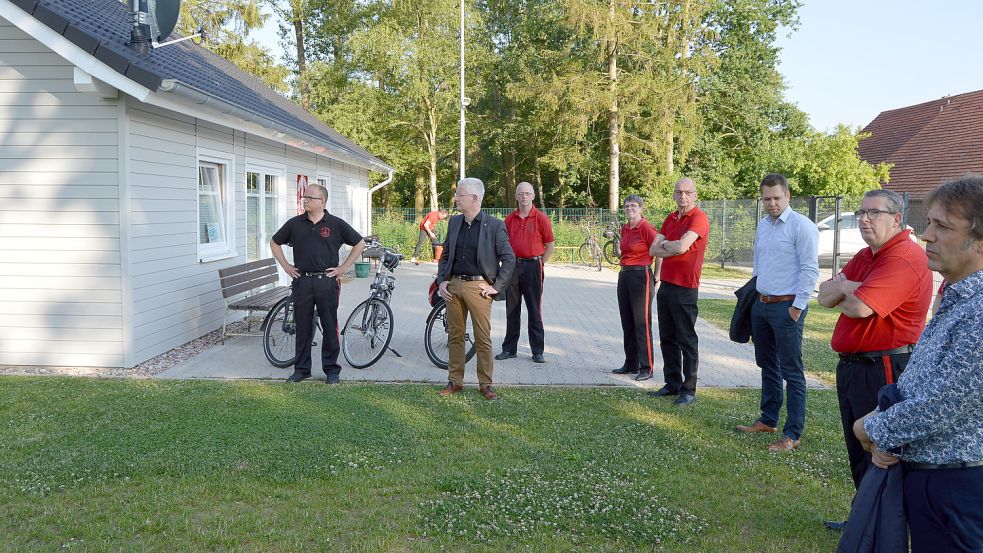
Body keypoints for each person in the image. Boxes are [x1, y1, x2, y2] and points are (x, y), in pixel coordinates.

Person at [854, 175, 983, 553]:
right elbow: (924, 380)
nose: (926, 235)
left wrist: (875, 427)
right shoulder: (959, 296)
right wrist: (891, 433)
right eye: (929, 222)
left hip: (958, 486)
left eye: (942, 226)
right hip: (931, 477)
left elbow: (948, 401)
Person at [817, 189, 932, 529]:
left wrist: (846, 287)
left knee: (878, 444)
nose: (864, 219)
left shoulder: (903, 258)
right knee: (858, 444)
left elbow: (858, 307)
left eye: (874, 213)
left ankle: (882, 525)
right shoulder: (868, 256)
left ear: (897, 219)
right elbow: (824, 296)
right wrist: (855, 283)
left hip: (883, 365)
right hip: (855, 365)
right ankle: (864, 517)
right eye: (861, 213)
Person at [736, 173, 819, 451]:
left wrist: (798, 307)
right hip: (762, 305)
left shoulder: (802, 227)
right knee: (767, 365)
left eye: (776, 198)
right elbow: (759, 263)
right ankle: (768, 419)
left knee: (792, 372)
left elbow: (810, 269)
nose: (772, 203)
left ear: (788, 196)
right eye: (766, 199)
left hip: (787, 307)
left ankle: (792, 434)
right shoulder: (763, 226)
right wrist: (754, 298)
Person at [270, 183, 366, 384]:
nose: (304, 200)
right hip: (302, 281)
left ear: (321, 202)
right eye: (304, 197)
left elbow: (359, 243)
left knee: (330, 325)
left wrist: (343, 268)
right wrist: (286, 266)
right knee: (303, 326)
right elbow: (274, 242)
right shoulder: (295, 224)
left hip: (327, 282)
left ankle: (332, 370)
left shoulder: (336, 224)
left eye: (309, 198)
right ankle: (302, 369)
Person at [435, 178, 516, 400]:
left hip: (479, 288)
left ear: (474, 198)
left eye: (460, 195)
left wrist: (495, 287)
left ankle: (486, 384)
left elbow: (509, 259)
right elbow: (446, 253)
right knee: (455, 336)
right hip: (453, 286)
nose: (456, 198)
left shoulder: (494, 225)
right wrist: (442, 280)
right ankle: (455, 382)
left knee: (483, 338)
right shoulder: (454, 222)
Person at [646, 178, 710, 405]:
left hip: (686, 288)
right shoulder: (670, 218)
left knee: (686, 339)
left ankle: (688, 389)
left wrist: (670, 245)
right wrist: (672, 246)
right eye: (679, 192)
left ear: (695, 195)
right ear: (674, 195)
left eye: (688, 192)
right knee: (667, 338)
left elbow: (682, 246)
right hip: (666, 285)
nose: (683, 196)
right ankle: (672, 383)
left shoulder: (699, 218)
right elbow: (653, 249)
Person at [496, 182, 555, 364]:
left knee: (534, 309)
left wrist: (539, 263)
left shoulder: (541, 218)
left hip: (533, 266)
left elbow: (550, 245)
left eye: (527, 193)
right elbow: (504, 243)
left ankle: (537, 351)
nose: (524, 196)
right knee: (511, 309)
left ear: (533, 196)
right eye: (520, 193)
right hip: (513, 267)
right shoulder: (509, 219)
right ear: (516, 196)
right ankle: (509, 349)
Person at [610, 195, 658, 382]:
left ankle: (647, 367)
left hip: (641, 275)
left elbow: (658, 250)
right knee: (627, 321)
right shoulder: (625, 228)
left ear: (641, 209)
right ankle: (631, 362)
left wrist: (658, 276)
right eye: (627, 206)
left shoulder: (645, 227)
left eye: (634, 206)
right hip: (625, 274)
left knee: (641, 323)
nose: (630, 208)